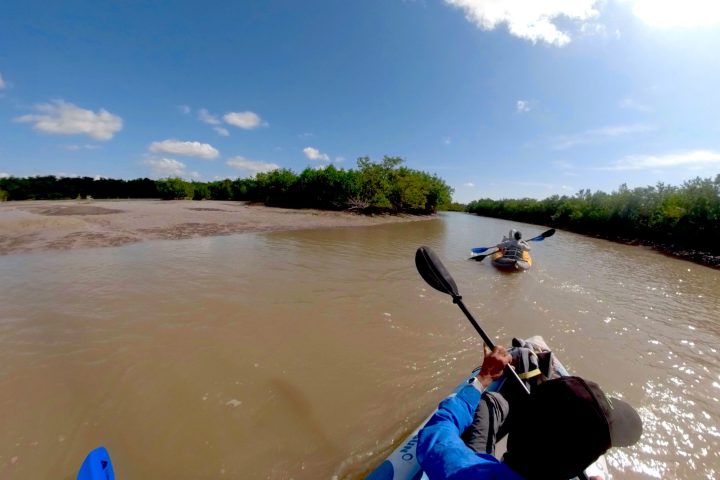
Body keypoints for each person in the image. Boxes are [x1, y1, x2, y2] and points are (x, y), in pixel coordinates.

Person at [416, 345, 643, 480]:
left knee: (488, 404)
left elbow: (438, 428)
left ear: (521, 424)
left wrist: (483, 378)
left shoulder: (464, 472)